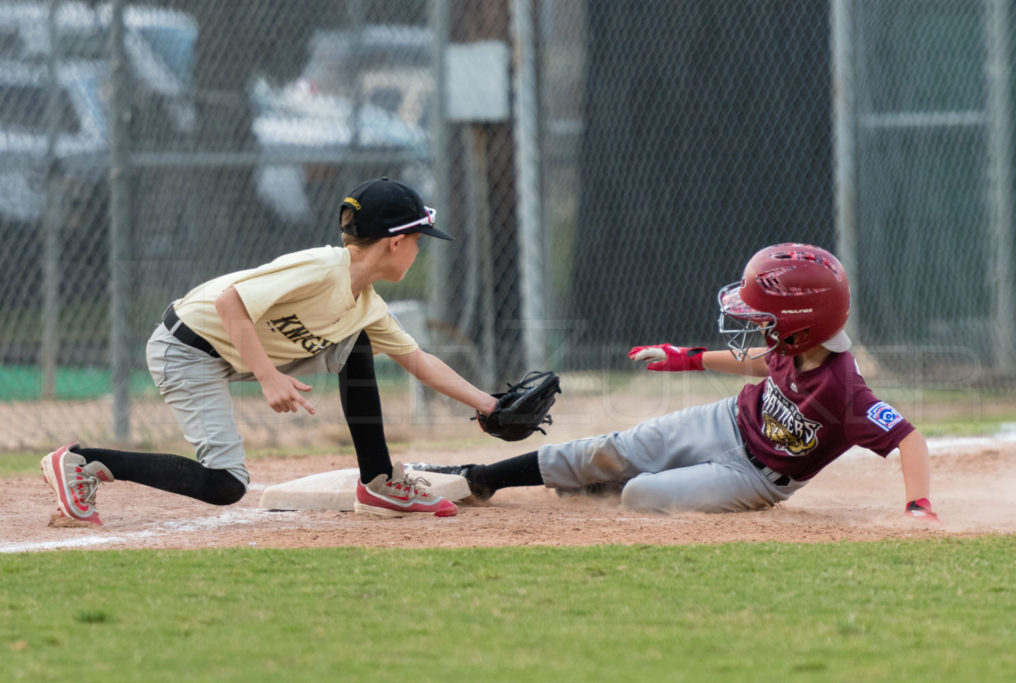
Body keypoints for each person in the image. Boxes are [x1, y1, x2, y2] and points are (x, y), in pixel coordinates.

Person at [41, 177, 499, 523]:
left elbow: (419, 361)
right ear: (395, 242)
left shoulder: (366, 305)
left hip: (234, 350)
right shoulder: (323, 268)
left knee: (358, 337)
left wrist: (489, 405)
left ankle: (378, 482)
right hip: (187, 348)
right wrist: (268, 375)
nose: (419, 250)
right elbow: (229, 301)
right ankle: (84, 462)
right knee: (225, 485)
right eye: (418, 241)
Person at [412, 243, 940, 522]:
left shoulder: (847, 392)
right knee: (610, 450)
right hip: (726, 422)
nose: (753, 322)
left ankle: (607, 485)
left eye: (763, 317)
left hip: (758, 478)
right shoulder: (792, 348)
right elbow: (762, 365)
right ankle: (481, 477)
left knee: (640, 494)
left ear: (802, 326)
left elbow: (908, 438)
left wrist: (918, 507)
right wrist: (687, 358)